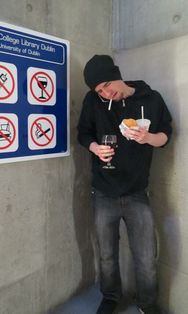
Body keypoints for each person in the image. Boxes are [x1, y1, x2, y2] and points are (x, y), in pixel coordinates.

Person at [77, 55, 172, 314]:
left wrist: (148, 137)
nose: (106, 93)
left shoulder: (151, 99)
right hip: (103, 192)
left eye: (107, 85)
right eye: (99, 91)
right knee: (107, 255)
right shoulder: (93, 102)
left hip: (137, 192)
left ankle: (147, 304)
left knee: (145, 257)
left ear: (117, 74)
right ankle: (110, 298)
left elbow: (166, 134)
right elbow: (83, 133)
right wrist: (96, 148)